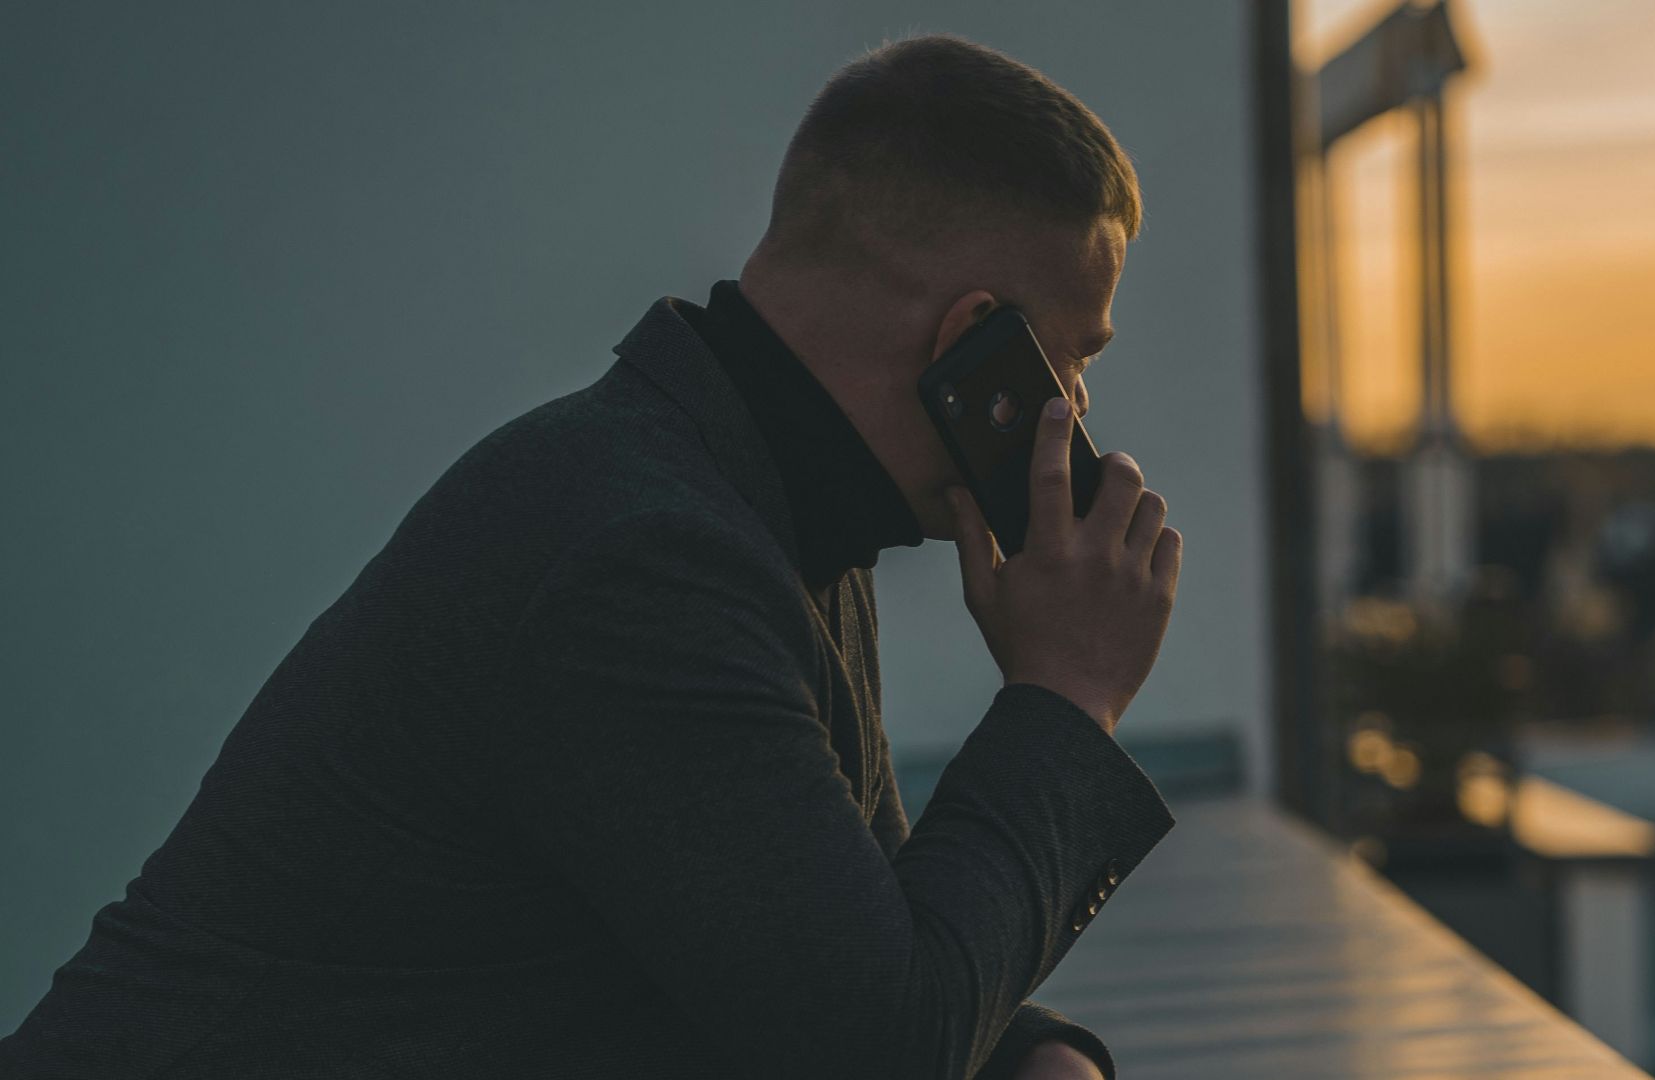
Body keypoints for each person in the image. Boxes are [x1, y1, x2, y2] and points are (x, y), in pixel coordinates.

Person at [0, 31, 1182, 1080]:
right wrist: (1065, 698)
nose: (1071, 416)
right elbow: (874, 1046)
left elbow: (835, 944)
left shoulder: (754, 510)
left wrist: (1039, 1052)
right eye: (1066, 365)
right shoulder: (641, 554)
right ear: (972, 342)